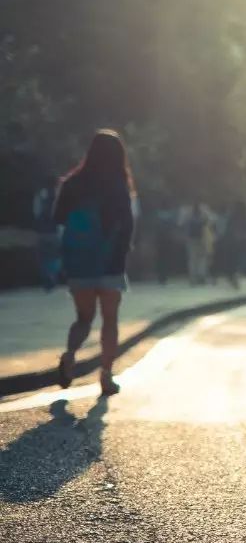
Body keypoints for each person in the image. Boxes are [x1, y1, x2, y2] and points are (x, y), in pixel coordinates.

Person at [52, 129, 136, 397]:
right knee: (109, 321)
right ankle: (106, 376)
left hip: (79, 262)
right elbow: (127, 225)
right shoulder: (118, 185)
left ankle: (70, 355)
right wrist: (121, 252)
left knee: (83, 319)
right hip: (111, 263)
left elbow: (58, 219)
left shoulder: (72, 184)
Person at [32, 175, 61, 291]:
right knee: (56, 255)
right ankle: (52, 274)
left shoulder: (40, 194)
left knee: (43, 257)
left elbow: (36, 211)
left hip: (42, 230)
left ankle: (46, 277)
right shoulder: (59, 194)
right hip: (55, 230)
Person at [221, 200, 246, 289]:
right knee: (238, 261)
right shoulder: (245, 217)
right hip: (241, 243)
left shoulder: (232, 217)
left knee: (232, 261)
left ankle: (232, 277)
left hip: (232, 243)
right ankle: (235, 277)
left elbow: (227, 230)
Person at [182, 200, 212, 284]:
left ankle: (193, 278)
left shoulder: (188, 216)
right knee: (201, 259)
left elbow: (183, 225)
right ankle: (201, 276)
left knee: (192, 259)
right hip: (201, 239)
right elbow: (208, 223)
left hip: (191, 240)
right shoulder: (202, 216)